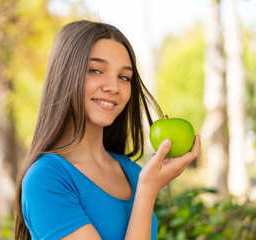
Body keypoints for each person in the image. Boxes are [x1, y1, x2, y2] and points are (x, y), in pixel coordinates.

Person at [14, 20, 200, 240]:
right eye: (95, 70)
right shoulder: (46, 179)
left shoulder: (132, 172)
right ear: (64, 76)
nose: (114, 87)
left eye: (124, 77)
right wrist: (148, 191)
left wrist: (146, 186)